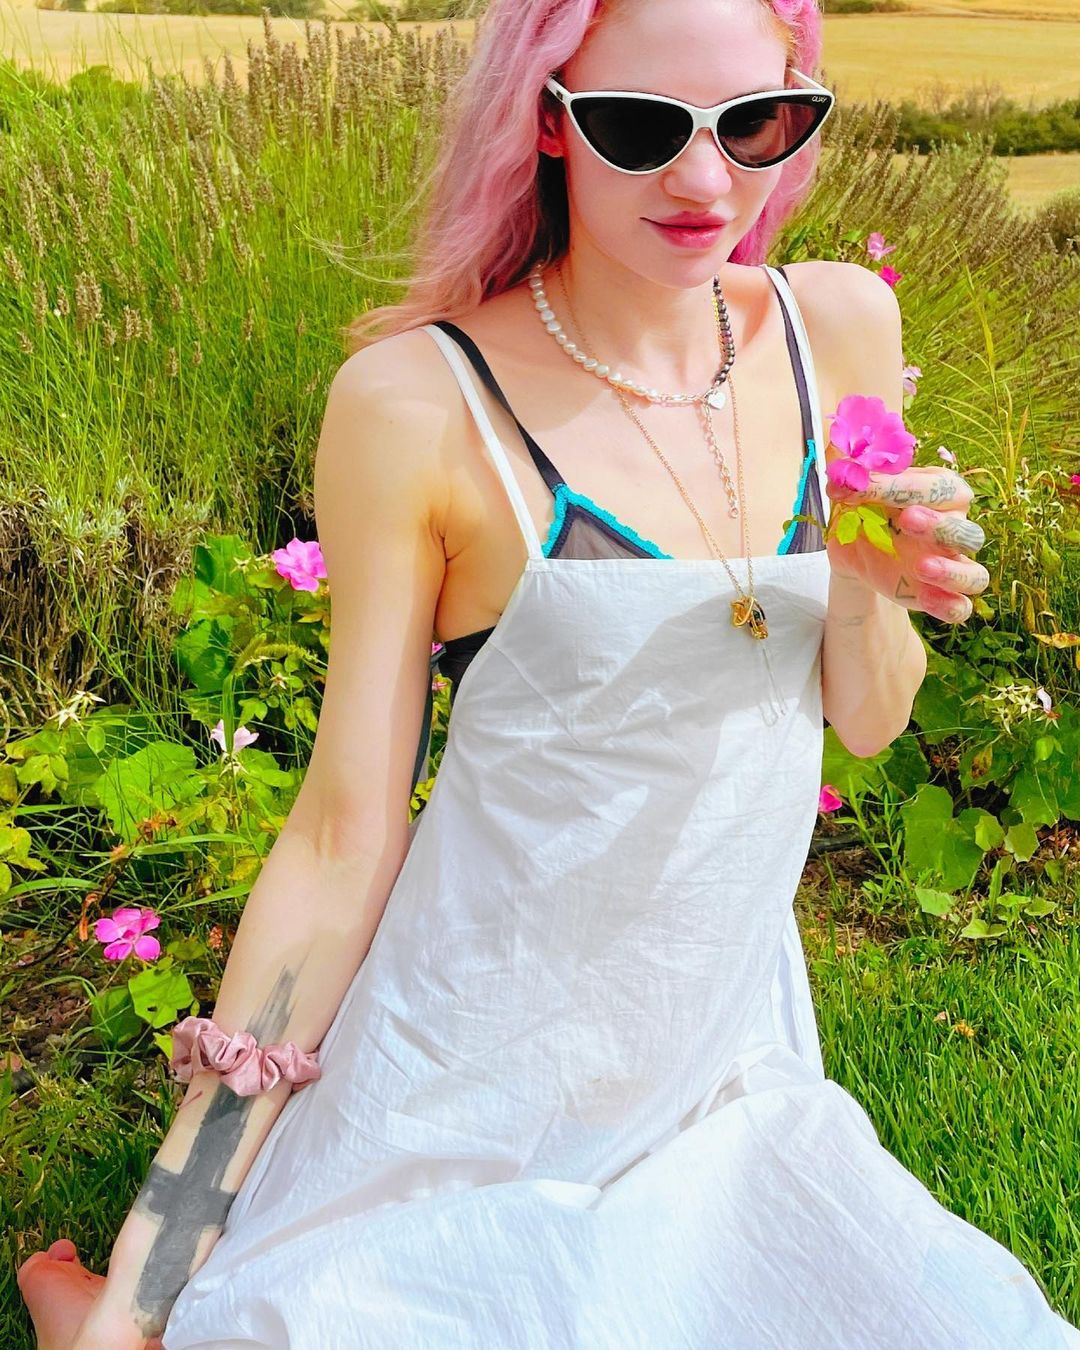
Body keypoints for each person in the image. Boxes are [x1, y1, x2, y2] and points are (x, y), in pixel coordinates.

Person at [17, 0, 1079, 1346]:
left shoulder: (838, 328)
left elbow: (867, 722)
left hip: (719, 1078)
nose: (707, 183)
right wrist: (144, 1285)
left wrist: (868, 592)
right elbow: (342, 840)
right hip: (463, 1074)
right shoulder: (418, 404)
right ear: (548, 119)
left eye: (757, 123)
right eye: (641, 126)